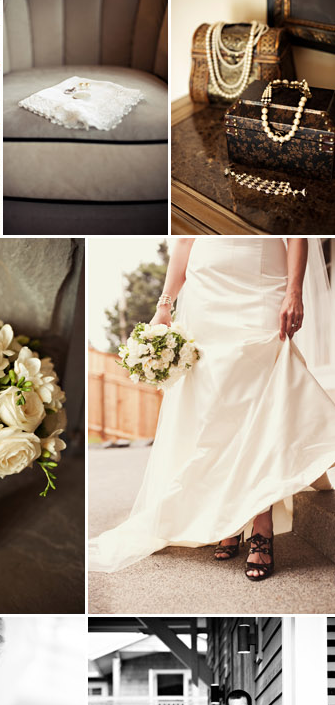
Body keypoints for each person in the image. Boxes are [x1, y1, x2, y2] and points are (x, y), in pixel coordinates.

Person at [89, 238, 335, 582]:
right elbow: (186, 238)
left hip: (262, 274)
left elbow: (297, 234)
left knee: (259, 398)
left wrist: (294, 290)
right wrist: (166, 303)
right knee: (216, 406)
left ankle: (260, 521)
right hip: (207, 285)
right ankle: (230, 518)